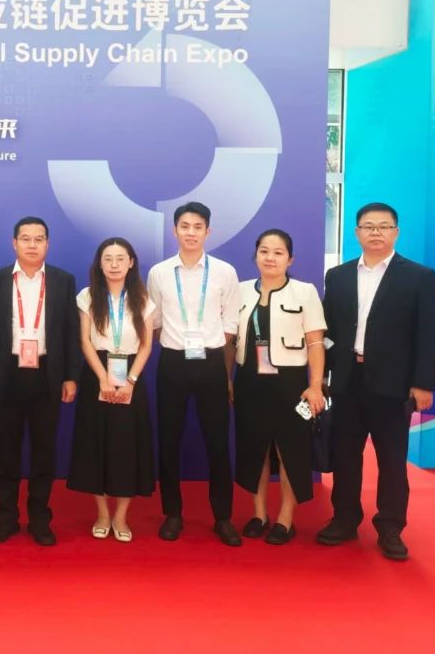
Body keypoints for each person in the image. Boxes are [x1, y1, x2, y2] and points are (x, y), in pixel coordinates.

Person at [318, 202, 435, 561]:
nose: (376, 232)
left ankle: (390, 527)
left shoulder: (419, 276)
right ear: (356, 232)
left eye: (384, 226)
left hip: (393, 384)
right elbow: (328, 330)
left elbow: (429, 335)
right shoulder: (337, 276)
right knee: (345, 456)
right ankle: (344, 519)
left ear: (396, 232)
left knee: (391, 459)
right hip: (346, 381)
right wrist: (321, 375)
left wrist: (423, 384)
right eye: (368, 226)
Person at [0, 216, 80, 546]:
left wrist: (70, 376)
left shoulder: (63, 281)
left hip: (47, 375)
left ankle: (39, 519)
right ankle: (6, 518)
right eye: (25, 239)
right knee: (6, 452)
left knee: (43, 452)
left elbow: (71, 332)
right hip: (7, 374)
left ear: (47, 244)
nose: (32, 245)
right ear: (14, 243)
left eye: (38, 239)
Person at [146, 201, 243, 546]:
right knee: (168, 440)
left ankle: (223, 517)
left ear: (208, 231)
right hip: (172, 362)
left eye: (197, 227)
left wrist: (210, 348)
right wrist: (179, 343)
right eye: (184, 226)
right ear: (175, 230)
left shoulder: (224, 272)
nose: (191, 232)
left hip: (211, 362)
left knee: (218, 441)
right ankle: (172, 514)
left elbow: (231, 322)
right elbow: (155, 322)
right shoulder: (159, 273)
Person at [232, 229, 327, 545]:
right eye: (264, 251)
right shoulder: (240, 291)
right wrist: (228, 379)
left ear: (290, 259)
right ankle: (259, 514)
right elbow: (230, 342)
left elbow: (315, 343)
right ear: (255, 255)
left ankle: (286, 519)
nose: (270, 258)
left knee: (290, 451)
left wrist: (315, 386)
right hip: (249, 382)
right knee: (254, 449)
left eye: (278, 252)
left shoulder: (304, 292)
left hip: (290, 383)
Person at [66, 238, 156, 542]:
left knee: (127, 447)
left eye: (120, 258)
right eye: (108, 259)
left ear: (131, 262)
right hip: (97, 373)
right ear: (100, 264)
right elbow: (84, 341)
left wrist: (130, 381)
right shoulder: (87, 296)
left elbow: (146, 345)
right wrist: (103, 378)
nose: (114, 265)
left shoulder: (143, 299)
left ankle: (121, 516)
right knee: (97, 445)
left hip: (131, 375)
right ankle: (103, 514)